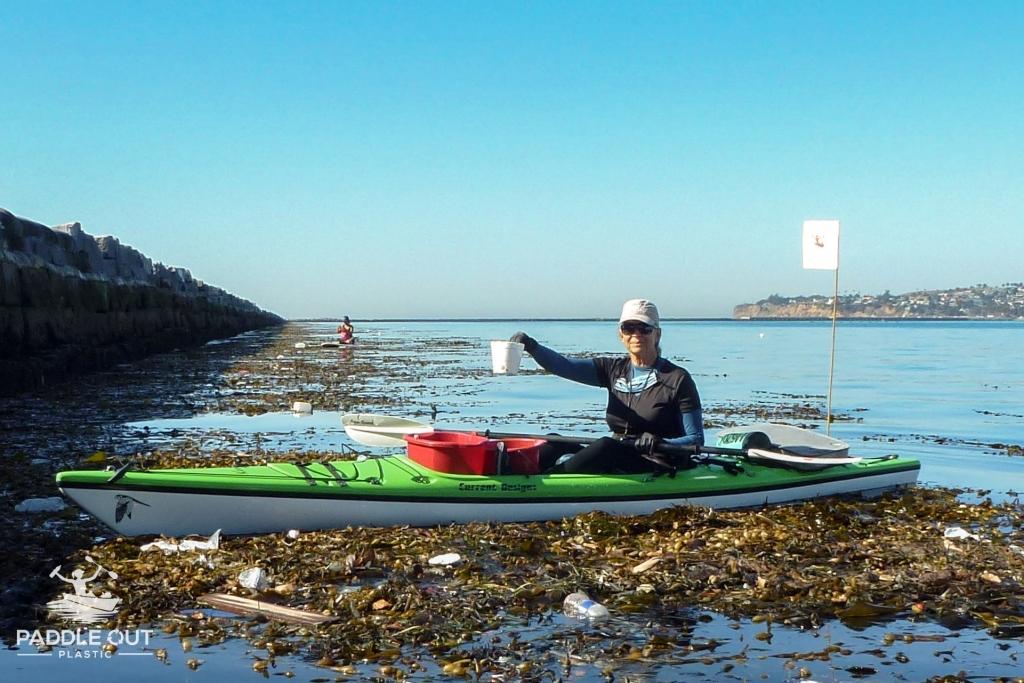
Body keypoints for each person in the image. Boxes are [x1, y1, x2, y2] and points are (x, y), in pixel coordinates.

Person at [510, 299, 703, 474]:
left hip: (657, 460)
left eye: (644, 328)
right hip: (617, 453)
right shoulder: (612, 369)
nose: (636, 335)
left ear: (657, 334)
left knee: (605, 446)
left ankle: (545, 481)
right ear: (621, 335)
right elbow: (563, 365)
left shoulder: (678, 379)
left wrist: (661, 442)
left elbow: (696, 438)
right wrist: (531, 346)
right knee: (554, 441)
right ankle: (506, 474)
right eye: (629, 328)